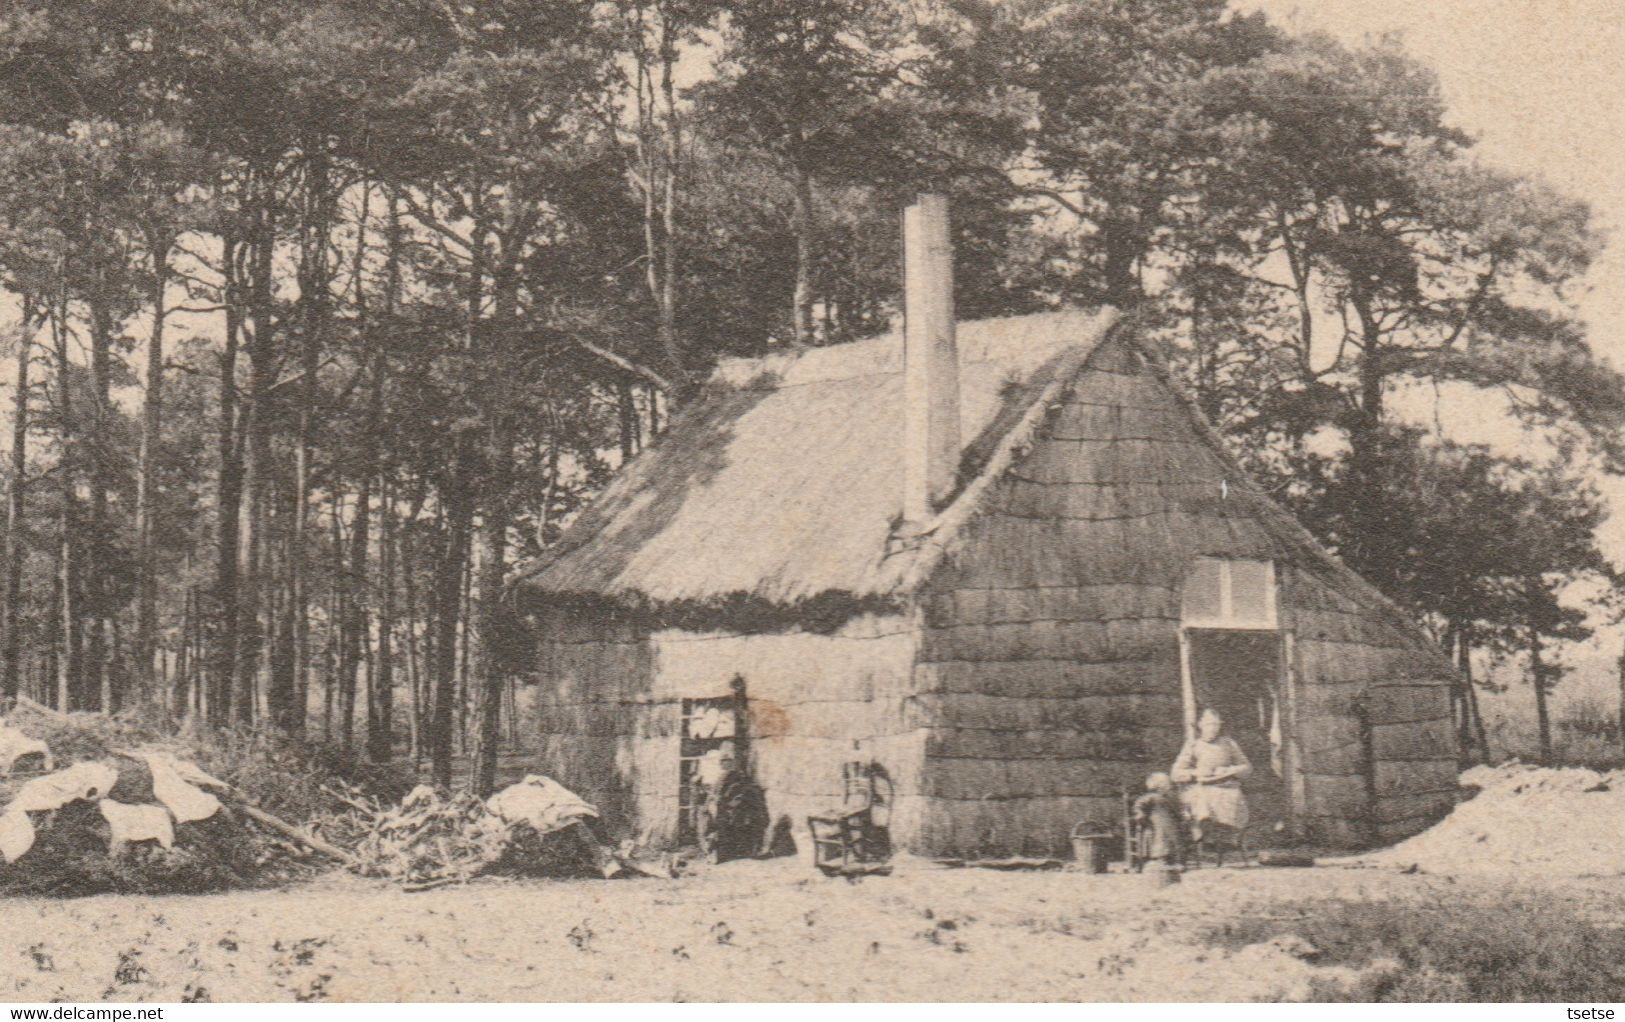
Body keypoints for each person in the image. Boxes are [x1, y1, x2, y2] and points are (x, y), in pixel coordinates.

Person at [1170, 708, 1252, 845]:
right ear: (1200, 725)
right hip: (1200, 786)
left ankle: (1226, 836)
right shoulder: (1193, 745)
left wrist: (1229, 769)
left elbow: (1247, 767)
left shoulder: (1228, 743)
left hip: (1226, 786)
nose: (1213, 729)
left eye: (1216, 725)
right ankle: (1204, 832)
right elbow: (1175, 773)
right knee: (1202, 798)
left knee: (1231, 796)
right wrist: (1196, 773)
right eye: (1209, 724)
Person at [1132, 772, 1184, 868]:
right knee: (1161, 834)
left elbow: (1179, 810)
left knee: (1174, 834)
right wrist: (1140, 813)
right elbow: (1139, 805)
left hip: (1171, 822)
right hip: (1154, 823)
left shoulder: (1172, 798)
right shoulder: (1151, 797)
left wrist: (1182, 815)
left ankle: (1174, 859)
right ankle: (1160, 857)